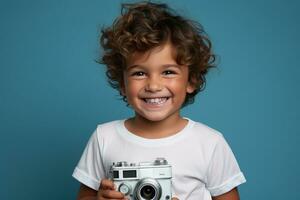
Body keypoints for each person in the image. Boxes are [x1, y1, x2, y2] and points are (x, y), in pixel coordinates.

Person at [72, 1, 246, 200]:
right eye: (139, 73)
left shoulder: (209, 143)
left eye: (168, 72)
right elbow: (84, 196)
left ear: (191, 81)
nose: (153, 86)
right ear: (123, 83)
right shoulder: (104, 138)